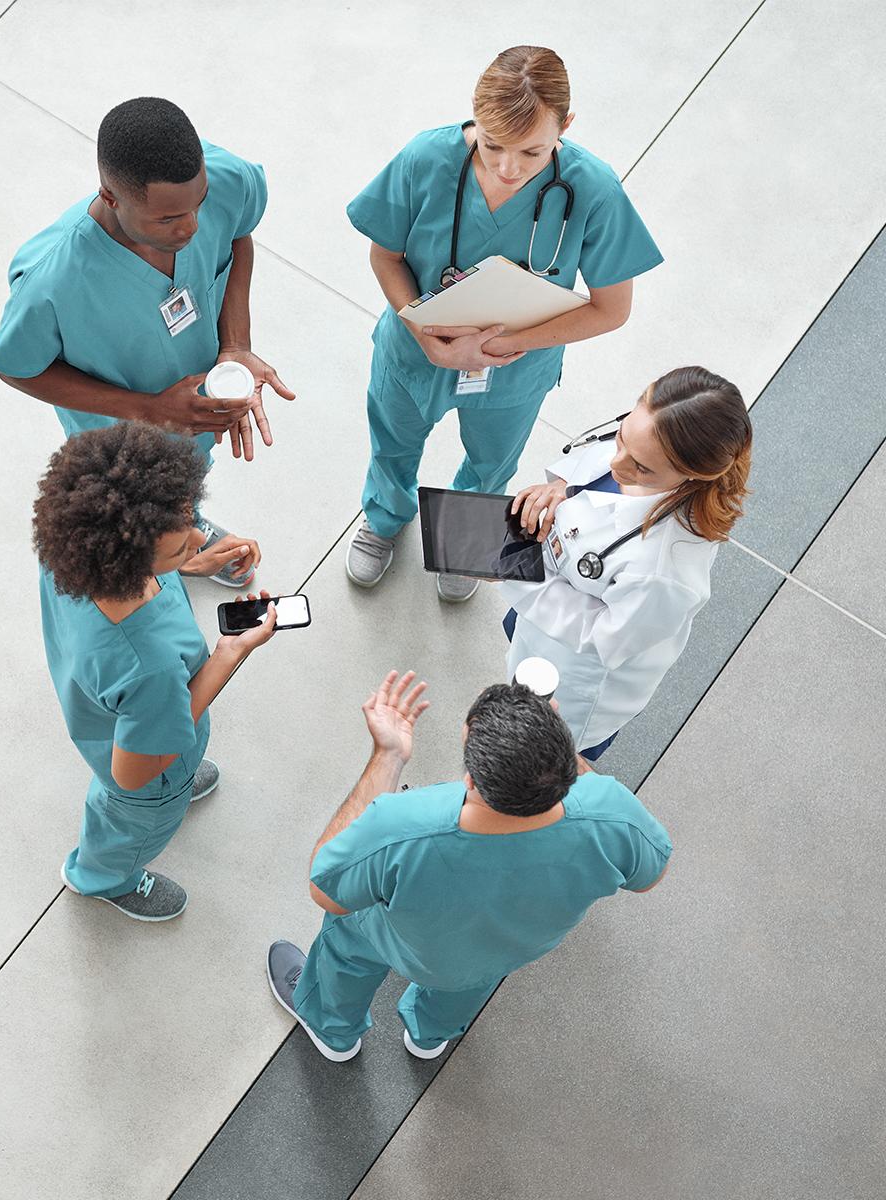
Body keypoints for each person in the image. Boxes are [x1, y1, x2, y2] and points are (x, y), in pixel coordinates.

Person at [344, 46, 662, 602]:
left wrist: (508, 342)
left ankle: (466, 539)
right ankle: (385, 514)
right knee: (392, 442)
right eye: (492, 145)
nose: (508, 168)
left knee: (493, 463)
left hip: (515, 368)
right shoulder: (427, 159)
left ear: (566, 125)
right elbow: (385, 256)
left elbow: (611, 308)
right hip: (415, 351)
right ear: (475, 117)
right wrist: (425, 336)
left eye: (533, 151)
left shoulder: (593, 189)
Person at [267, 673, 671, 1061]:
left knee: (347, 941)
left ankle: (333, 1031)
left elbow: (326, 887)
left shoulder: (403, 826)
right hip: (500, 952)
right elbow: (650, 876)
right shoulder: (614, 813)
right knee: (467, 983)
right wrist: (549, 754)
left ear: (473, 782)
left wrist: (387, 755)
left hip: (402, 941)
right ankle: (429, 1036)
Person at [0, 96, 295, 587]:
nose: (192, 227)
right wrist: (149, 410)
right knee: (135, 513)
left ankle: (183, 531)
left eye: (198, 204)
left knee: (186, 478)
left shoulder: (226, 178)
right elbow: (16, 366)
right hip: (121, 437)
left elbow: (239, 233)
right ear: (111, 197)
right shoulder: (51, 282)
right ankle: (163, 552)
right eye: (168, 220)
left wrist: (236, 344)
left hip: (195, 417)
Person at [33, 422, 276, 921]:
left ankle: (175, 789)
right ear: (127, 561)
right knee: (130, 824)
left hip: (109, 718)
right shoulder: (151, 668)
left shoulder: (70, 560)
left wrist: (186, 564)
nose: (196, 538)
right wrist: (230, 654)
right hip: (150, 779)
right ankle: (104, 877)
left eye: (189, 518)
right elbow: (134, 772)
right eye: (175, 548)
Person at [500, 365, 752, 759]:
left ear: (693, 475)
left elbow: (604, 638)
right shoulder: (643, 441)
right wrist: (558, 490)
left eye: (641, 468)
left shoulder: (667, 570)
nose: (618, 466)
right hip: (541, 615)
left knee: (540, 756)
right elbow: (590, 478)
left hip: (576, 679)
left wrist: (514, 571)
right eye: (620, 439)